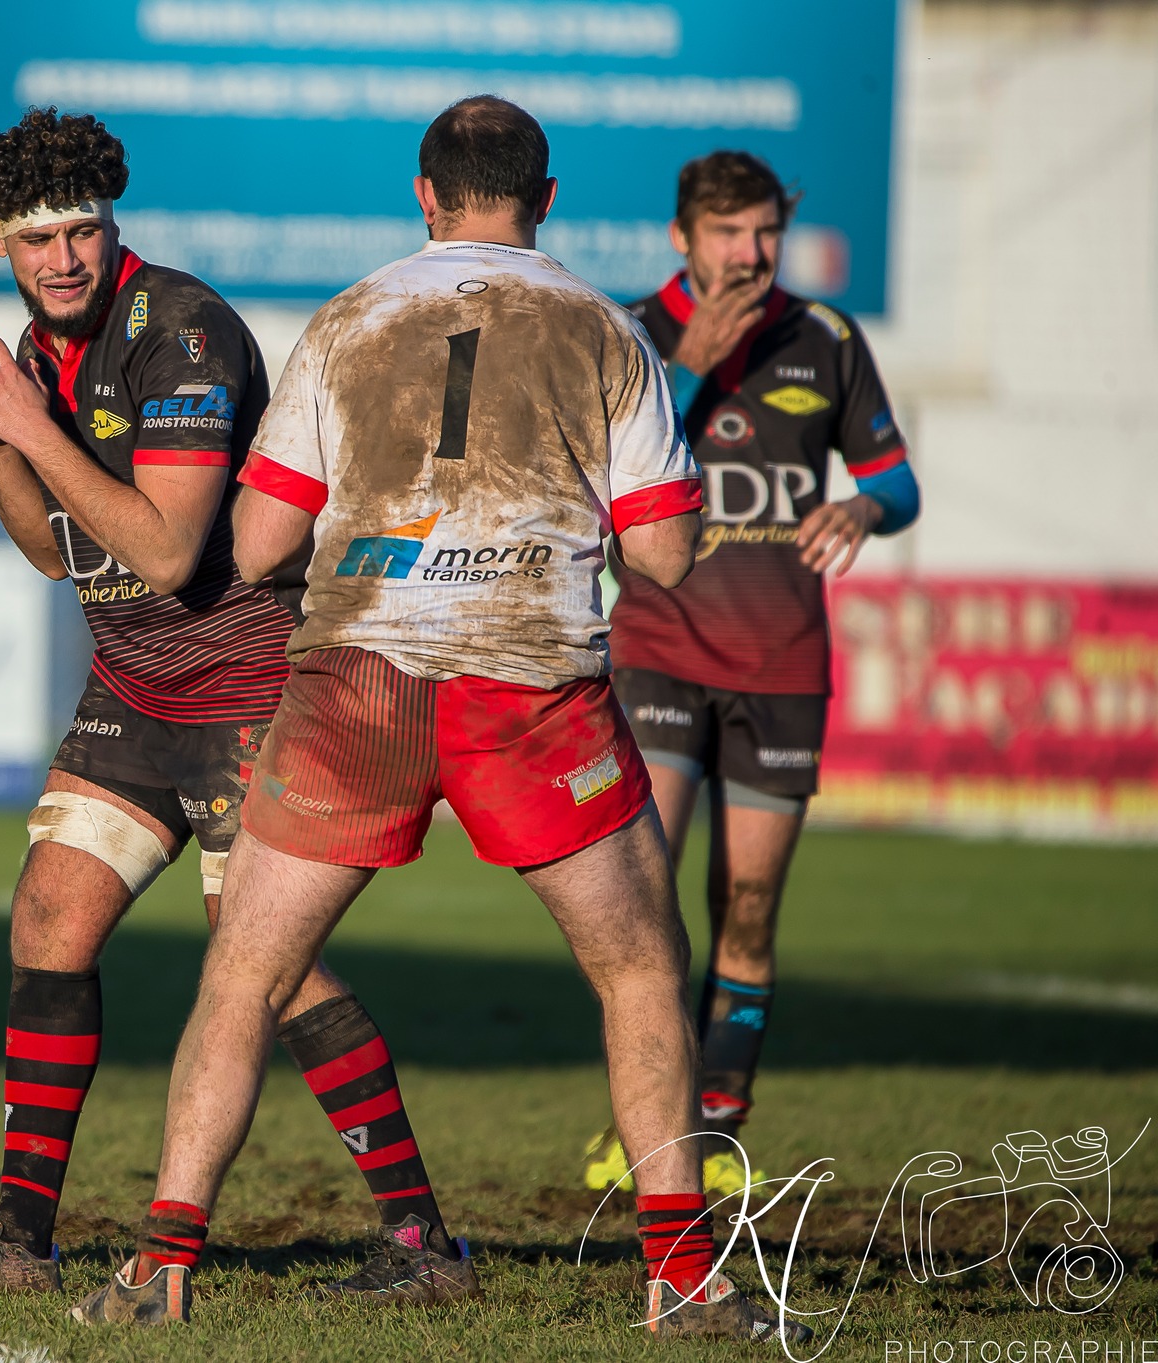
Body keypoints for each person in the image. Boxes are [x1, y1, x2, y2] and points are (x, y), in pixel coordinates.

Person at [74, 97, 809, 1344]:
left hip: (356, 680)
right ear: (547, 196)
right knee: (636, 966)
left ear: (424, 193)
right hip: (528, 687)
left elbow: (256, 548)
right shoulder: (604, 330)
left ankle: (160, 1263)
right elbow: (670, 559)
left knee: (243, 972)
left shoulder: (351, 318)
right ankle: (680, 1279)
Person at [0, 108, 473, 1304]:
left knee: (270, 965)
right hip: (135, 689)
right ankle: (16, 1241)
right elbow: (54, 557)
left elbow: (161, 550)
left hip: (253, 690)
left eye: (82, 231)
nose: (61, 258)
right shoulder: (32, 356)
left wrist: (31, 428)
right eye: (35, 238)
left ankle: (420, 1243)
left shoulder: (181, 330)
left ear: (115, 225)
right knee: (49, 915)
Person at [582, 151, 922, 1201]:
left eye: (764, 231)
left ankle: (719, 1129)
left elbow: (895, 481)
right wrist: (687, 365)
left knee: (749, 902)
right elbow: (595, 478)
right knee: (641, 903)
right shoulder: (631, 332)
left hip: (781, 661)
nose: (750, 252)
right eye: (727, 233)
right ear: (681, 237)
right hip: (658, 647)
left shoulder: (821, 338)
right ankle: (649, 1140)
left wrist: (863, 508)